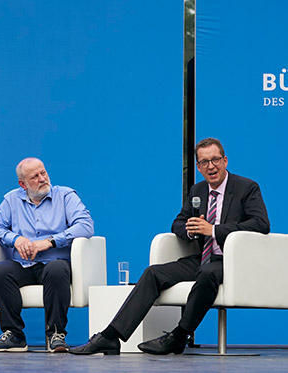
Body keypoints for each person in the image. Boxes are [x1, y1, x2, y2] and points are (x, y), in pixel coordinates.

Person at [71, 138, 270, 355]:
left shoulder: (246, 187)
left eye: (215, 160)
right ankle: (110, 336)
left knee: (206, 273)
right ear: (198, 167)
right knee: (152, 273)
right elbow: (178, 222)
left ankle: (179, 336)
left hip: (231, 261)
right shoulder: (198, 190)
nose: (211, 166)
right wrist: (189, 230)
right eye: (204, 162)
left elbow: (261, 224)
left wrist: (212, 230)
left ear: (225, 161)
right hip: (203, 258)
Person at [0, 158, 94, 352]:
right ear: (22, 184)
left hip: (55, 262)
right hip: (24, 265)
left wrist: (50, 241)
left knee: (56, 269)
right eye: (35, 176)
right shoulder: (11, 199)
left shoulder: (65, 196)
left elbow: (85, 226)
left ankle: (56, 334)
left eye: (43, 172)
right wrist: (15, 239)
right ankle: (15, 335)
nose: (42, 178)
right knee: (0, 271)